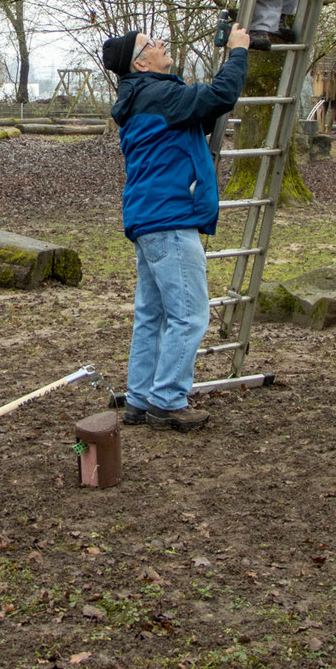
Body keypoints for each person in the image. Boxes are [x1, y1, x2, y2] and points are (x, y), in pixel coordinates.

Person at [103, 25, 250, 431]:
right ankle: (167, 400)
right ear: (140, 63)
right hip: (169, 220)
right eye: (151, 44)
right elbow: (221, 97)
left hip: (149, 219)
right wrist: (238, 52)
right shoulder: (159, 94)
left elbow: (189, 123)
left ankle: (140, 397)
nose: (161, 43)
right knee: (189, 315)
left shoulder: (142, 99)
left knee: (152, 315)